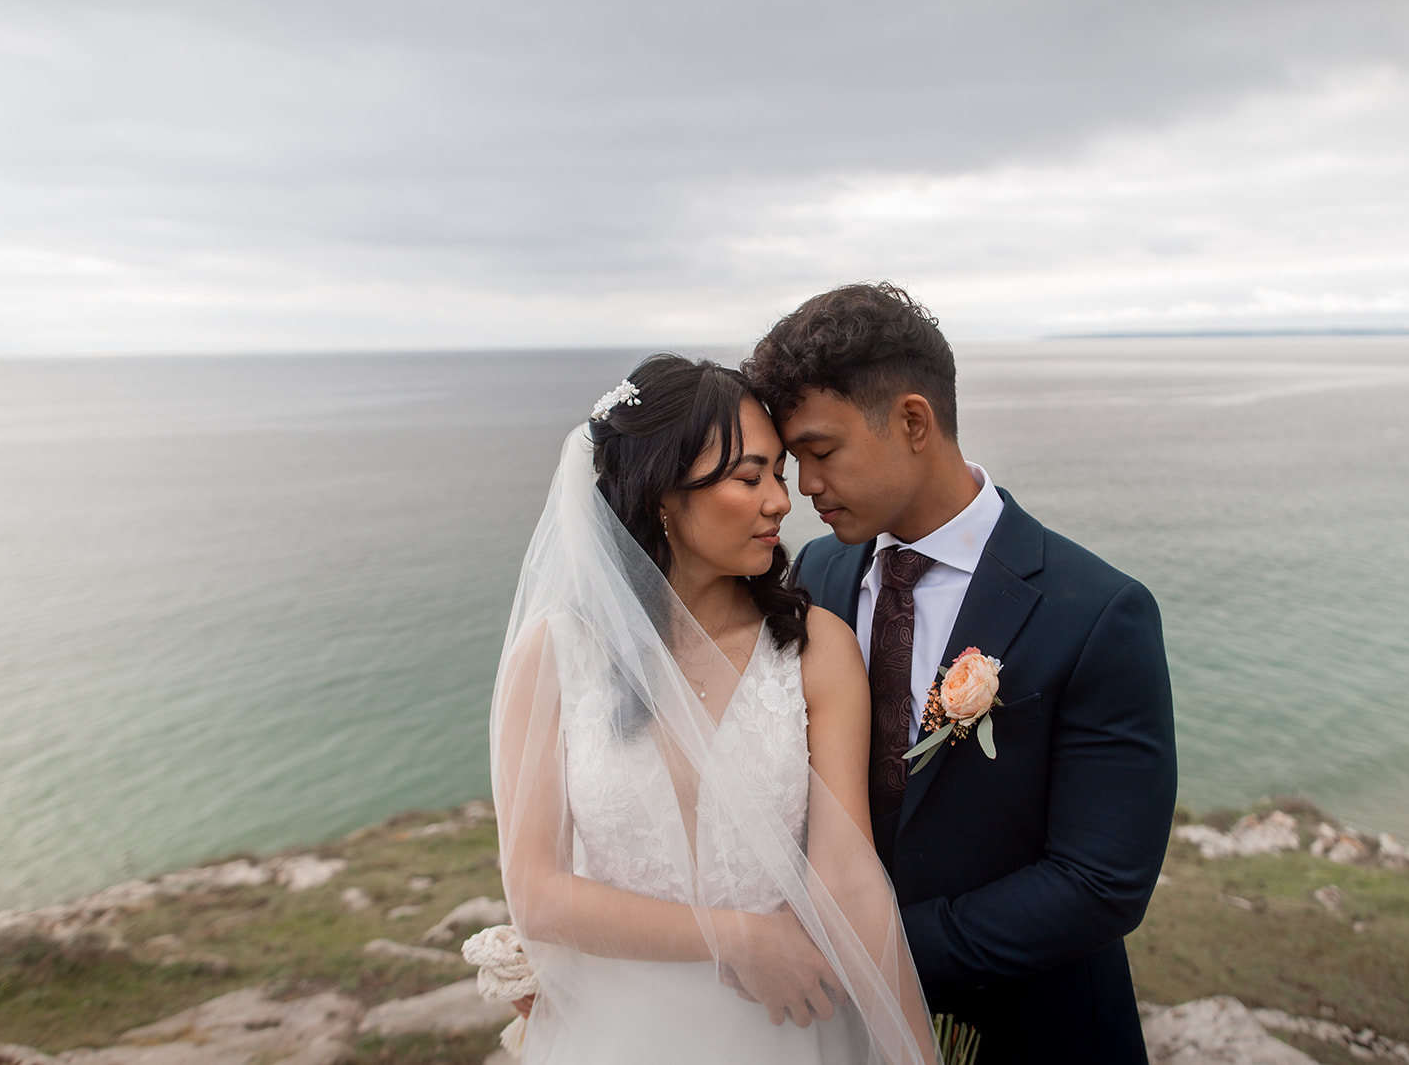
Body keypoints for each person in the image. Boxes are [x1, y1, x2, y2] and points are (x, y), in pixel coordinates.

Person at [744, 284, 1177, 1064]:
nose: (802, 486)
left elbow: (1100, 881)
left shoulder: (1100, 612)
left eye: (821, 450)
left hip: (1033, 1031)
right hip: (838, 1032)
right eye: (791, 459)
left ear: (914, 421)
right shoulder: (820, 571)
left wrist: (866, 949)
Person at [488, 354, 938, 1065]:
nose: (781, 502)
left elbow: (848, 878)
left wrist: (913, 1052)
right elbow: (537, 893)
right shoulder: (554, 655)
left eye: (779, 476)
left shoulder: (817, 648)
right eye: (749, 475)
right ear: (663, 491)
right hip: (612, 1034)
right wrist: (736, 935)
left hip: (781, 1030)